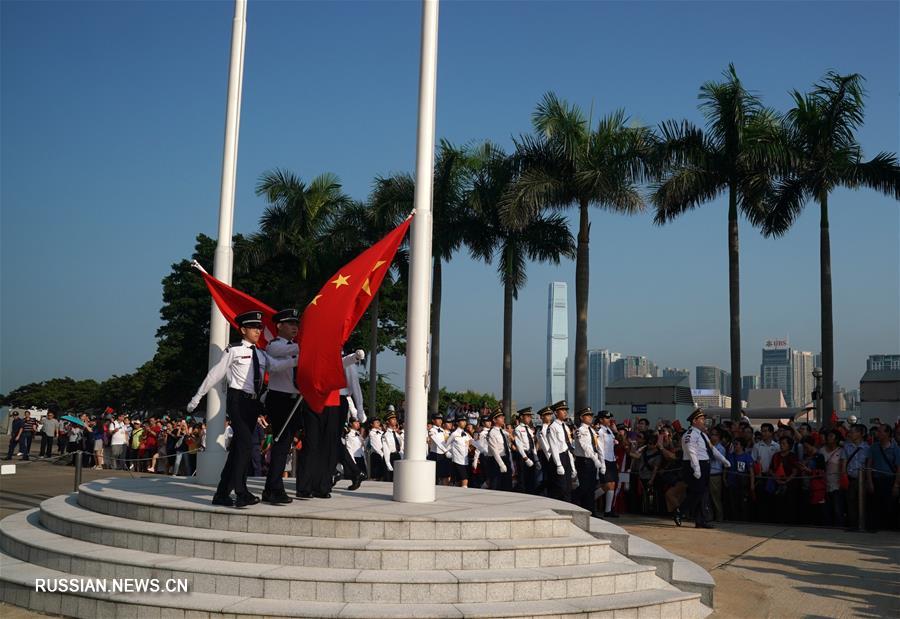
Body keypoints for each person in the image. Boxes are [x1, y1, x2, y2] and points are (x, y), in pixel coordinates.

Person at [187, 310, 297, 507]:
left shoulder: (262, 354)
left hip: (253, 404)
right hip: (238, 400)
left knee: (239, 449)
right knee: (246, 445)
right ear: (243, 329)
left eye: (260, 328)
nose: (258, 331)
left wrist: (302, 357)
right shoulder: (234, 350)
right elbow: (215, 373)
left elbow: (279, 365)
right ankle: (241, 492)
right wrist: (198, 396)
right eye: (254, 328)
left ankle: (221, 494)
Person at [261, 308, 302, 504]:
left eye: (296, 324)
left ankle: (272, 487)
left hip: (292, 399)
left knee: (284, 445)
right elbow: (283, 355)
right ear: (279, 326)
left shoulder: (295, 347)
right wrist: (307, 347)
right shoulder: (274, 346)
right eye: (290, 324)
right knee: (280, 443)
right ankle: (274, 488)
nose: (295, 327)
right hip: (279, 399)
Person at [674, 409, 730, 529]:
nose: (704, 421)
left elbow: (712, 449)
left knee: (702, 494)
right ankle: (680, 510)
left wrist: (723, 460)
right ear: (694, 421)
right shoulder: (689, 434)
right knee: (697, 491)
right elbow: (691, 451)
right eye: (702, 419)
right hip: (693, 465)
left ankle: (700, 520)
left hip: (704, 465)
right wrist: (696, 468)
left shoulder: (703, 434)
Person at [867, 423, 899, 531]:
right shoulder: (874, 447)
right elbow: (869, 465)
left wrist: (896, 485)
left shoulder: (895, 448)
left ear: (887, 433)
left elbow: (899, 467)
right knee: (875, 505)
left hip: (890, 480)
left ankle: (889, 527)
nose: (878, 433)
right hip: (876, 479)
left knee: (890, 505)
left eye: (881, 431)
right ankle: (876, 526)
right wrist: (870, 482)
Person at [572, 407, 603, 515]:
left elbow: (597, 446)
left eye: (591, 415)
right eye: (587, 415)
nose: (590, 417)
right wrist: (595, 459)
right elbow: (585, 446)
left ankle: (591, 511)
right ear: (581, 417)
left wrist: (600, 460)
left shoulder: (592, 430)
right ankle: (572, 501)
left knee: (591, 488)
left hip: (592, 461)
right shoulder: (579, 431)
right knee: (584, 487)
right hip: (584, 460)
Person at [840, 423, 870, 530]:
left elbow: (869, 464)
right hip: (851, 480)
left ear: (860, 433)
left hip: (863, 480)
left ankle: (864, 525)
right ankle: (853, 525)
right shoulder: (847, 447)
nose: (850, 434)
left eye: (852, 432)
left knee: (864, 503)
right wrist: (844, 478)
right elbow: (844, 463)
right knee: (851, 503)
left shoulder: (867, 448)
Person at [547, 401, 574, 502]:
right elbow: (554, 447)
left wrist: (572, 466)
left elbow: (568, 446)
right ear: (555, 413)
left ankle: (567, 510)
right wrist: (558, 464)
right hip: (558, 457)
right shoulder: (552, 427)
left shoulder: (566, 427)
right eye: (562, 410)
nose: (565, 412)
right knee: (560, 487)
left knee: (568, 487)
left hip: (566, 456)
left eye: (566, 410)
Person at [596, 411, 618, 517]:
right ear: (601, 420)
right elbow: (599, 447)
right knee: (606, 485)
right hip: (604, 459)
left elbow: (613, 443)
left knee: (612, 484)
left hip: (611, 459)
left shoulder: (609, 430)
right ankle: (590, 500)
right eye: (606, 418)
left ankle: (608, 510)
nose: (609, 420)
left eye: (609, 418)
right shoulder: (599, 431)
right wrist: (602, 462)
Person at [513, 408, 540, 494]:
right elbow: (519, 445)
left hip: (531, 454)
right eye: (527, 416)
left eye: (530, 416)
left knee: (532, 479)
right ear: (521, 417)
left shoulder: (529, 429)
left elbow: (532, 445)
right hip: (523, 456)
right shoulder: (518, 429)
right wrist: (525, 458)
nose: (530, 418)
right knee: (523, 479)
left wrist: (536, 458)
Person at [487, 410, 513, 490]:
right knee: (496, 485)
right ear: (494, 420)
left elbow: (508, 448)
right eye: (500, 417)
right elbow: (495, 451)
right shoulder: (492, 433)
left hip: (505, 458)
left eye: (503, 417)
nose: (503, 419)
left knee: (507, 484)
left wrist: (510, 463)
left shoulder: (504, 432)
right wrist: (501, 464)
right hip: (496, 461)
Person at [446, 416, 473, 487]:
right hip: (457, 460)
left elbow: (472, 442)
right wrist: (450, 453)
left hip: (465, 459)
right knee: (465, 479)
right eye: (462, 421)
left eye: (465, 421)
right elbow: (446, 445)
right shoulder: (454, 434)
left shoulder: (466, 434)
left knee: (457, 481)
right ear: (457, 423)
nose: (464, 422)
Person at [342, 418, 365, 490]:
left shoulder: (358, 434)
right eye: (355, 422)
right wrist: (352, 461)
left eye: (358, 422)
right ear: (351, 424)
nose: (358, 424)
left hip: (360, 456)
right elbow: (349, 448)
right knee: (353, 474)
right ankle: (355, 483)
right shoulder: (348, 434)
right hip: (354, 457)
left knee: (362, 474)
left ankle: (356, 483)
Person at [380, 410, 404, 482]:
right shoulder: (385, 435)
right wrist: (388, 463)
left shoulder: (396, 434)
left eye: (395, 419)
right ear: (387, 421)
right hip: (390, 457)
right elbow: (386, 450)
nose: (395, 420)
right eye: (392, 419)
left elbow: (401, 447)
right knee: (390, 480)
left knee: (398, 479)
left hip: (397, 455)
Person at [428, 413, 451, 485]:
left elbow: (446, 442)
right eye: (438, 419)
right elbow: (437, 442)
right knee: (435, 477)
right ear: (433, 420)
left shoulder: (443, 430)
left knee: (445, 476)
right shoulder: (432, 430)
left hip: (443, 455)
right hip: (435, 454)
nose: (440, 421)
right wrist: (446, 451)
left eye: (441, 419)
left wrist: (449, 451)